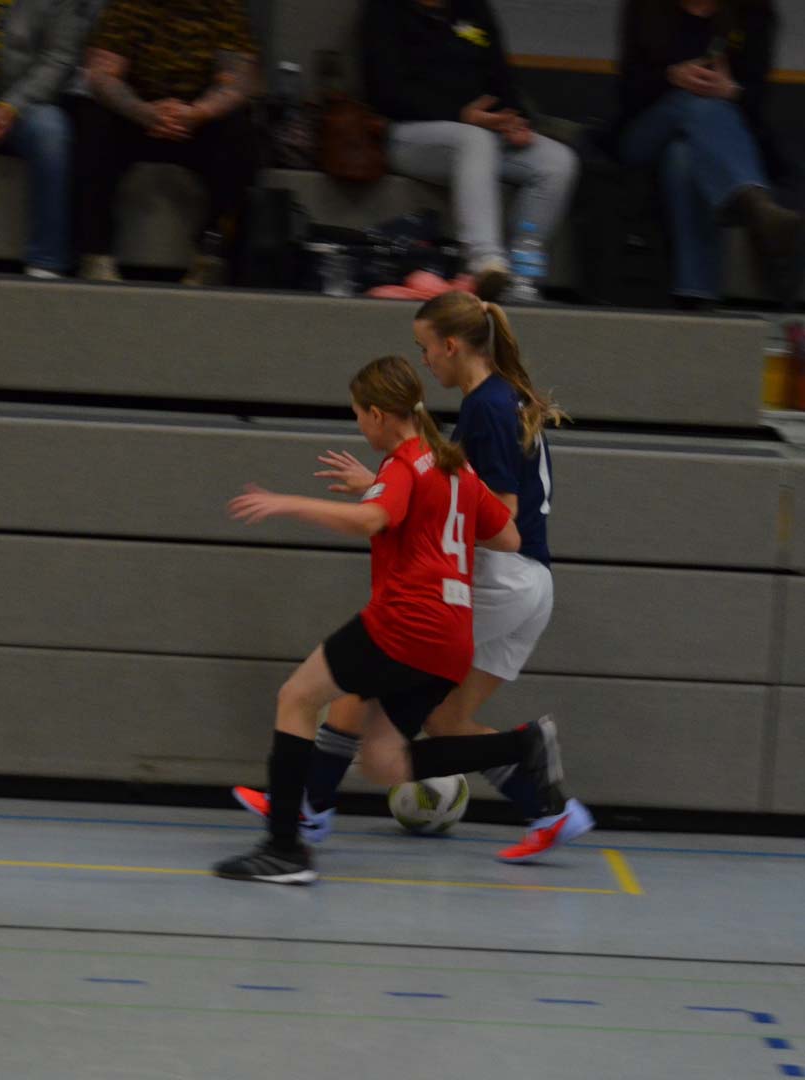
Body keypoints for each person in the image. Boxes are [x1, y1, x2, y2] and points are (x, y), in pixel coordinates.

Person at [233, 293, 594, 864]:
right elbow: (466, 497)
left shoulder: (483, 407)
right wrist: (390, 487)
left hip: (497, 579)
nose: (424, 360)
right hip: (533, 581)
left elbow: (497, 512)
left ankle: (307, 808)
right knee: (440, 722)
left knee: (357, 691)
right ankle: (549, 807)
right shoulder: (497, 402)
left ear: (450, 346)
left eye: (425, 348)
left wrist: (385, 501)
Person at [360, 0, 579, 301]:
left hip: (481, 131)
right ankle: (484, 261)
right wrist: (460, 114)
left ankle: (521, 275)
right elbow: (386, 93)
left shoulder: (473, 9)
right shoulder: (385, 10)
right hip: (409, 133)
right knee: (474, 139)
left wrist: (514, 120)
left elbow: (502, 79)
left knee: (557, 161)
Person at [617, 0, 803, 307]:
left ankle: (696, 294)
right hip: (645, 131)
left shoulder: (753, 13)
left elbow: (758, 100)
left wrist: (731, 90)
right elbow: (627, 93)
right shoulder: (644, 8)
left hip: (714, 136)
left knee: (683, 156)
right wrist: (671, 77)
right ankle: (753, 201)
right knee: (699, 105)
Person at [76, 0, 259, 285]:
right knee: (92, 120)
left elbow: (238, 82)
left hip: (198, 118)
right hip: (138, 114)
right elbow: (102, 74)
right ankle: (96, 254)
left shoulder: (225, 7)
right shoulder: (127, 5)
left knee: (242, 132)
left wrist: (197, 113)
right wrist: (143, 112)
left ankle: (212, 255)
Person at [0, 0, 81, 278]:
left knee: (51, 130)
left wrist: (9, 107)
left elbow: (58, 58)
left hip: (23, 104)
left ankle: (45, 262)